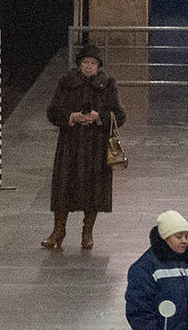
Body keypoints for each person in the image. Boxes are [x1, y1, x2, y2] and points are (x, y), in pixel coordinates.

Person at [42, 44, 126, 251]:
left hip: (96, 147)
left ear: (98, 66)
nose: (88, 67)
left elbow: (120, 115)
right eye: (85, 63)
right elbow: (52, 111)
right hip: (70, 145)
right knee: (63, 187)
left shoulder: (107, 85)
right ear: (79, 65)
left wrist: (99, 117)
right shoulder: (66, 83)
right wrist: (71, 117)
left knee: (93, 189)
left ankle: (87, 233)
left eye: (92, 63)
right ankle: (58, 231)